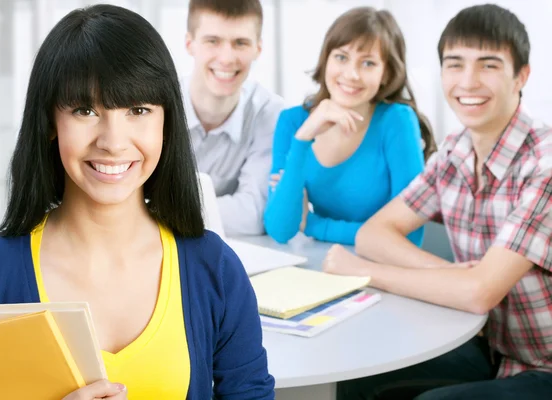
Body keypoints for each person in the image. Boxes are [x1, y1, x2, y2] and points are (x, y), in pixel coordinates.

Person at [0, 5, 274, 400]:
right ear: (51, 122)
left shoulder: (215, 270)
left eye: (138, 110)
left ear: (166, 123)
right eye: (85, 110)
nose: (114, 141)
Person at [327, 4, 552, 399]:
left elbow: (480, 292)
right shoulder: (455, 150)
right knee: (352, 376)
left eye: (488, 65)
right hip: (495, 350)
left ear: (521, 76)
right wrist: (451, 275)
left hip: (545, 365)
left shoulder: (544, 163)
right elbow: (374, 234)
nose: (468, 81)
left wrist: (361, 273)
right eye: (454, 64)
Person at [263, 7, 434, 246]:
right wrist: (303, 138)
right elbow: (280, 230)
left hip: (381, 267)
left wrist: (314, 225)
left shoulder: (397, 121)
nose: (352, 74)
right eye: (341, 57)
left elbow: (409, 235)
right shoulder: (293, 122)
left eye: (368, 63)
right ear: (326, 60)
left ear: (386, 73)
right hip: (318, 266)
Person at [182, 0, 284, 236]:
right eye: (212, 41)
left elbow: (255, 215)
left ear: (258, 48)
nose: (226, 58)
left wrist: (162, 210)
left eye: (240, 43)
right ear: (190, 44)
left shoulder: (270, 113)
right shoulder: (156, 105)